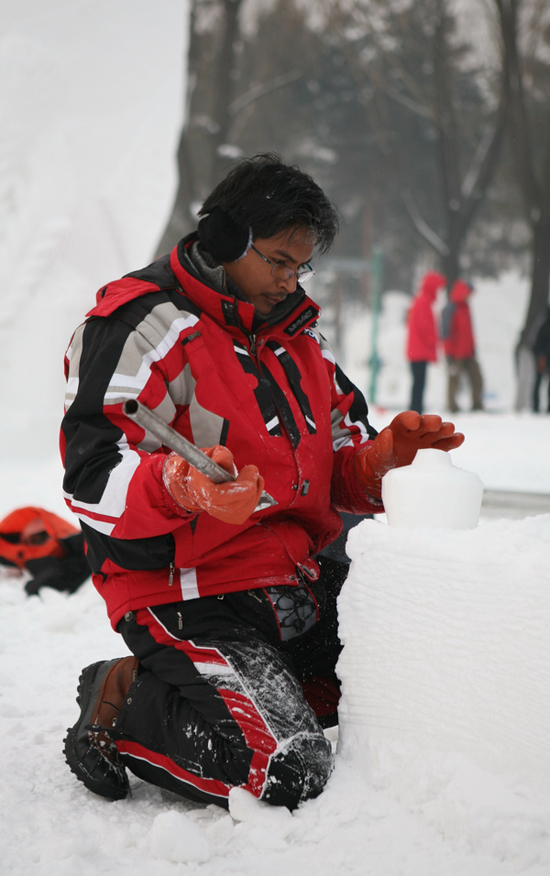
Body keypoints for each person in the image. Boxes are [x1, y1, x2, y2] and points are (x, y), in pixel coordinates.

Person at [61, 154, 464, 809]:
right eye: (278, 260)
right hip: (187, 592)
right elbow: (89, 478)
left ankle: (213, 689)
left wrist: (382, 461)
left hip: (291, 580)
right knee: (287, 768)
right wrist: (183, 486)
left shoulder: (300, 340)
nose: (289, 280)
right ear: (224, 240)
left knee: (409, 676)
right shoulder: (143, 327)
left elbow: (337, 473)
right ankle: (129, 699)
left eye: (300, 266)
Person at [0, 506, 90, 596]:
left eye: (43, 535)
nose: (41, 541)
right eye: (34, 539)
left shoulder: (70, 541)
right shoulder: (38, 561)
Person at [406, 271, 447, 414]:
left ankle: (416, 409)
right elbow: (424, 326)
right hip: (419, 351)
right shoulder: (423, 302)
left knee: (419, 383)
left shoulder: (422, 301)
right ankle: (415, 410)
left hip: (417, 350)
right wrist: (434, 341)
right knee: (419, 383)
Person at [441, 279, 484, 413]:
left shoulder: (465, 308)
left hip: (468, 352)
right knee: (454, 380)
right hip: (455, 352)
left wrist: (472, 348)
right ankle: (452, 406)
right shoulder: (450, 309)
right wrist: (448, 354)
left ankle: (477, 404)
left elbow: (469, 332)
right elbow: (445, 332)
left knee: (477, 379)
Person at [532, 307, 550, 413]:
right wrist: (540, 357)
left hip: (544, 356)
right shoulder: (545, 326)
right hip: (542, 357)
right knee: (538, 381)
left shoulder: (543, 324)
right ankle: (535, 407)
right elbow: (538, 344)